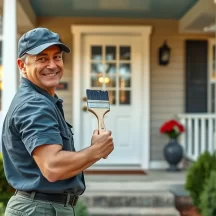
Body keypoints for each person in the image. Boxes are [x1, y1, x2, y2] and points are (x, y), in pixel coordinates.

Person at [1, 27, 114, 216]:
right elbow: (52, 166)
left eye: (57, 57)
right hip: (40, 209)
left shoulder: (41, 100)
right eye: (42, 58)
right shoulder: (35, 104)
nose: (52, 65)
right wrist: (96, 151)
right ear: (22, 66)